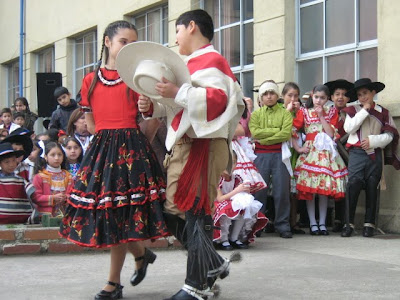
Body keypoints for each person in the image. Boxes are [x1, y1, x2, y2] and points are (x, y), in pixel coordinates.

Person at [136, 10, 244, 299]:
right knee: (173, 211)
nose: (175, 37)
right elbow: (179, 106)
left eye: (177, 29)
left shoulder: (212, 60)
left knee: (195, 213)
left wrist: (177, 91)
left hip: (203, 146)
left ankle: (196, 286)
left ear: (192, 27)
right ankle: (211, 264)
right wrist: (153, 105)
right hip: (188, 145)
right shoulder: (194, 63)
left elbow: (217, 102)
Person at [59, 20, 168, 300]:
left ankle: (113, 282)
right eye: (123, 42)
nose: (129, 47)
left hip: (132, 152)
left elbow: (151, 120)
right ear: (107, 42)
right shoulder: (90, 80)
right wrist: (109, 138)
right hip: (104, 151)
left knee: (120, 215)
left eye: (134, 43)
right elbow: (92, 125)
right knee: (112, 215)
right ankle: (141, 255)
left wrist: (147, 109)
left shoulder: (137, 77)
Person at [341, 78, 400, 237]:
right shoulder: (353, 110)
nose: (363, 97)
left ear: (373, 93)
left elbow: (390, 135)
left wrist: (373, 141)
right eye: (359, 95)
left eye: (365, 93)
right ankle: (349, 224)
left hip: (375, 154)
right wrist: (365, 110)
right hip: (357, 153)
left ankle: (369, 224)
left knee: (372, 186)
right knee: (353, 184)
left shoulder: (383, 112)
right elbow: (349, 128)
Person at [292, 84, 348, 236]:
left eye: (322, 98)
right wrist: (298, 148)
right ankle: (312, 223)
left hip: (326, 154)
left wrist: (322, 116)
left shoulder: (331, 112)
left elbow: (331, 134)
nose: (318, 100)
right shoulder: (304, 111)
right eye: (316, 97)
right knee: (310, 190)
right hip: (310, 153)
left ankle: (322, 223)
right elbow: (292, 130)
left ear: (327, 99)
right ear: (312, 95)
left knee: (323, 190)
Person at [249, 80, 293, 239]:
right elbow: (255, 133)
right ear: (260, 97)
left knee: (281, 192)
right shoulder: (255, 115)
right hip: (260, 156)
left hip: (280, 155)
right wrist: (275, 132)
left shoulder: (285, 114)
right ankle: (257, 224)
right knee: (259, 191)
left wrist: (265, 137)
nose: (269, 96)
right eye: (265, 94)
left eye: (272, 93)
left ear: (277, 95)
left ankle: (283, 225)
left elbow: (285, 134)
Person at [213, 152, 268, 250]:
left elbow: (239, 195)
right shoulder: (217, 178)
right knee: (226, 209)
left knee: (245, 206)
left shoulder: (236, 178)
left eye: (233, 162)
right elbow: (220, 199)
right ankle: (223, 239)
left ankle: (234, 237)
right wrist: (237, 190)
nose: (230, 166)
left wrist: (245, 191)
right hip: (218, 204)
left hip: (231, 203)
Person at [324, 79, 354, 232]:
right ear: (332, 97)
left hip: (348, 155)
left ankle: (344, 220)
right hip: (330, 155)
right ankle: (333, 219)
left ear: (349, 98)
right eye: (337, 94)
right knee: (333, 186)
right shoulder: (327, 114)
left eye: (344, 94)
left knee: (346, 186)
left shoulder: (353, 114)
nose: (340, 97)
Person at [281, 82, 306, 234]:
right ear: (283, 96)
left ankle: (294, 221)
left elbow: (305, 128)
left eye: (295, 95)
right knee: (283, 189)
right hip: (284, 150)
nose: (293, 98)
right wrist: (288, 111)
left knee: (294, 190)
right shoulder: (281, 111)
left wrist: (299, 112)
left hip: (297, 152)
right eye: (289, 95)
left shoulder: (301, 112)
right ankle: (282, 221)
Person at [32, 141, 73, 217]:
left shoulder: (68, 176)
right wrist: (53, 198)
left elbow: (73, 195)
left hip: (65, 216)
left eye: (59, 155)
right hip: (44, 217)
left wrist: (66, 197)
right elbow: (35, 197)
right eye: (52, 155)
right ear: (45, 157)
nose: (56, 158)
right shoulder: (40, 177)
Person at [0, 142, 35, 224]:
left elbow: (32, 193)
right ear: (0, 164)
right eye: (7, 162)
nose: (11, 164)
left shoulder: (20, 180)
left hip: (20, 221)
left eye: (13, 160)